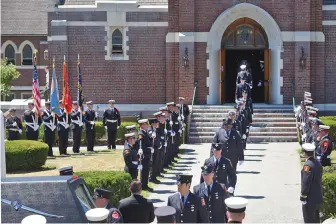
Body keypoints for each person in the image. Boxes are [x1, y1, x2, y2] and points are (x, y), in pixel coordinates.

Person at [300, 143, 323, 223]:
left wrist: (303, 196)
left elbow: (306, 182)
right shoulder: (317, 163)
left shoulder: (307, 165)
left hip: (310, 199)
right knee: (316, 221)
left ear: (305, 153)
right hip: (318, 197)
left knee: (309, 220)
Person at [136, 119, 152, 190]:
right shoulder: (141, 134)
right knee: (144, 171)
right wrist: (149, 149)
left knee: (147, 170)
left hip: (147, 154)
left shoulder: (145, 132)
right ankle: (143, 185)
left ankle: (145, 184)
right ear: (142, 125)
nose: (147, 126)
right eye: (146, 124)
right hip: (144, 155)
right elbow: (141, 146)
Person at [148, 118, 162, 183]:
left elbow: (158, 138)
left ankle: (154, 176)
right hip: (153, 149)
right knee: (153, 163)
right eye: (156, 123)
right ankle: (151, 177)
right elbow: (152, 139)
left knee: (155, 163)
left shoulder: (155, 129)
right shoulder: (150, 130)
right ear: (153, 123)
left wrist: (160, 144)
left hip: (156, 148)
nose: (158, 124)